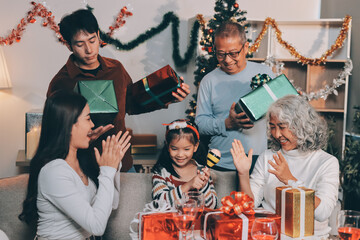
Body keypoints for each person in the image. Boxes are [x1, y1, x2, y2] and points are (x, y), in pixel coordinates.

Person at [47, 9, 190, 172]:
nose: (89, 50)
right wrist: (87, 136)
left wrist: (168, 97)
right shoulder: (61, 83)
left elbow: (131, 104)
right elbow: (53, 134)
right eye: (80, 44)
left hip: (122, 163)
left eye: (92, 40)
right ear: (68, 45)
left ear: (99, 36)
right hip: (82, 168)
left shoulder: (116, 69)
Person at [19, 91, 131, 239]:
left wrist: (112, 164)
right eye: (88, 119)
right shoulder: (54, 172)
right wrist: (107, 170)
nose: (92, 125)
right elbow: (97, 226)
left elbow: (111, 204)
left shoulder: (81, 160)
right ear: (69, 125)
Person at [232, 95, 339, 236]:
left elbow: (323, 212)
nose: (277, 134)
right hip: (269, 234)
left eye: (282, 127)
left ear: (302, 125)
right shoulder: (268, 156)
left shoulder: (326, 162)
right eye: (272, 127)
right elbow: (249, 205)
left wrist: (290, 181)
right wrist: (243, 174)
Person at [195, 21, 275, 171]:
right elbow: (200, 124)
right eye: (221, 54)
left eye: (233, 53)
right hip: (220, 163)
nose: (227, 60)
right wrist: (227, 124)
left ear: (245, 47)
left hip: (257, 164)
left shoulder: (265, 73)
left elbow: (280, 111)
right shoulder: (208, 81)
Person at [152, 119, 217, 209]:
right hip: (171, 222)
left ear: (195, 146)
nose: (180, 155)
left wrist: (204, 186)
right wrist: (188, 185)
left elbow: (212, 207)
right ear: (167, 146)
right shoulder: (161, 172)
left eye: (186, 149)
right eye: (174, 149)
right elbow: (159, 204)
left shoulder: (202, 171)